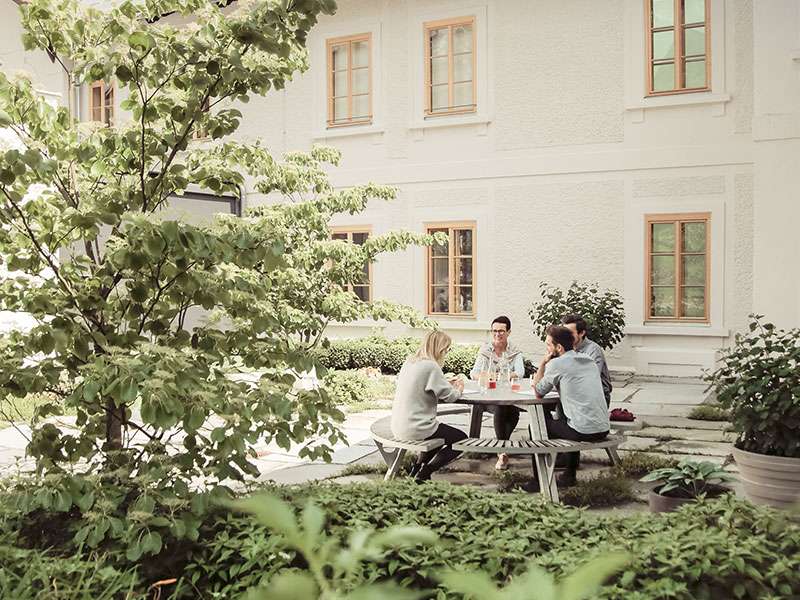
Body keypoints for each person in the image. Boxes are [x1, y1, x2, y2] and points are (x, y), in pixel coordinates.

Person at [526, 325, 609, 490]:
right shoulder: (589, 360)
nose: (547, 349)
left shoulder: (557, 364)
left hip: (582, 431)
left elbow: (538, 391)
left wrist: (543, 363)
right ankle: (569, 475)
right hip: (602, 427)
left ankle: (538, 481)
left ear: (559, 348)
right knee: (566, 416)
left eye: (548, 345)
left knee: (536, 425)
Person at [391, 330, 467, 482]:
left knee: (440, 435)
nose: (446, 353)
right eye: (446, 349)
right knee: (462, 440)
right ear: (439, 349)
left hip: (399, 425)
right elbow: (451, 397)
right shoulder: (431, 367)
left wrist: (445, 383)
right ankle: (426, 471)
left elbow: (423, 385)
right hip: (417, 427)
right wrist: (459, 388)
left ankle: (417, 469)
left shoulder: (410, 362)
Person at [469, 315, 525, 471]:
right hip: (489, 395)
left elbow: (520, 372)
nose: (497, 334)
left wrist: (500, 376)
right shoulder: (486, 350)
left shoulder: (514, 351)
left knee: (513, 413)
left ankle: (502, 448)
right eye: (494, 331)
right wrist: (485, 377)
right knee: (501, 409)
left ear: (508, 332)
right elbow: (473, 373)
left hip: (510, 395)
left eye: (501, 331)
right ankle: (503, 452)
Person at [560, 314, 612, 406]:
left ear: (582, 333)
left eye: (570, 333)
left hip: (597, 397)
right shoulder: (564, 348)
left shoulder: (593, 350)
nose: (566, 336)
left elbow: (589, 378)